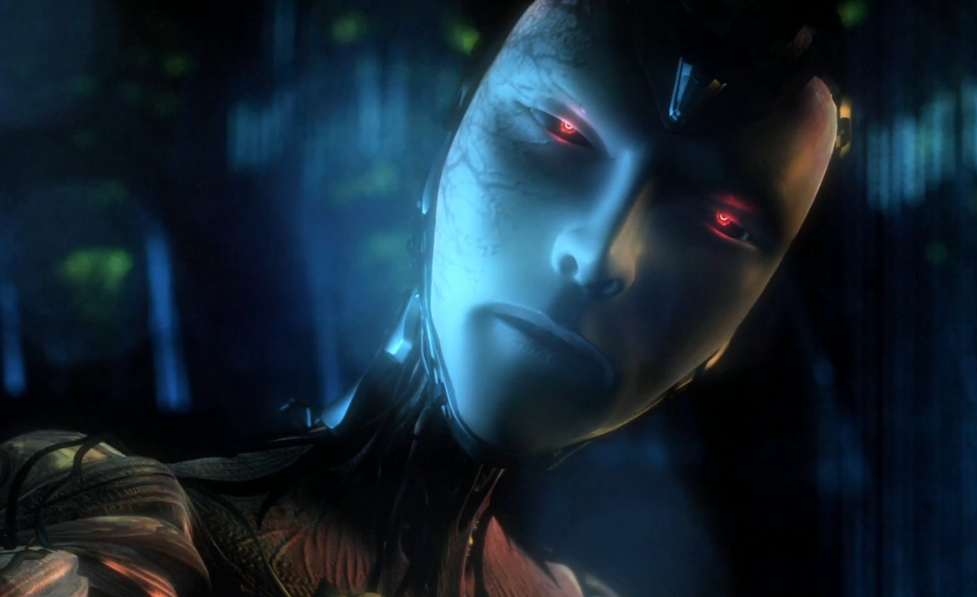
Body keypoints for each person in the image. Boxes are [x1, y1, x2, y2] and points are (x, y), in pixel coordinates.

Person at [0, 0, 849, 595]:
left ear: (735, 327)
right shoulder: (118, 544)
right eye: (562, 135)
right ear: (442, 158)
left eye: (723, 225)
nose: (597, 253)